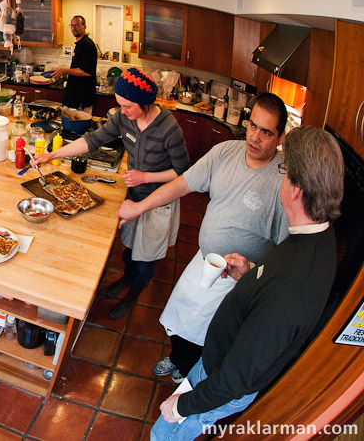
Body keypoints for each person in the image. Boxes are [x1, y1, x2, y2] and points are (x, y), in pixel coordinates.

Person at [151, 125, 344, 441]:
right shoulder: (317, 238)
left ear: (295, 189)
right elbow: (275, 293)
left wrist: (182, 406)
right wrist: (252, 271)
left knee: (162, 437)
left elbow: (235, 380)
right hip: (217, 361)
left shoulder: (290, 287)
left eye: (285, 171)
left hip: (217, 381)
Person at [117, 93, 290, 382]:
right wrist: (138, 207)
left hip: (236, 276)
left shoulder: (284, 182)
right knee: (181, 312)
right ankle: (179, 359)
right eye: (252, 126)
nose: (255, 137)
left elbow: (287, 248)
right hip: (205, 259)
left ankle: (189, 371)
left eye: (266, 132)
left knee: (207, 330)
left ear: (280, 137)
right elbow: (182, 184)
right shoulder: (226, 152)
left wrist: (253, 273)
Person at [35, 68, 189, 319]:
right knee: (129, 247)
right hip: (134, 196)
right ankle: (127, 279)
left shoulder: (169, 129)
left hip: (159, 200)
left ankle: (134, 294)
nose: (123, 112)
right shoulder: (124, 118)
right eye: (120, 106)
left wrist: (146, 176)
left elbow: (183, 173)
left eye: (127, 106)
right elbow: (93, 140)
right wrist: (53, 154)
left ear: (145, 102)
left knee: (146, 256)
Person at [53, 15, 97, 114]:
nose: (73, 28)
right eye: (72, 25)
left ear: (84, 27)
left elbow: (86, 71)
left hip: (81, 99)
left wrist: (64, 70)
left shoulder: (87, 45)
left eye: (77, 25)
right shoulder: (80, 44)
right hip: (75, 97)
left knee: (78, 127)